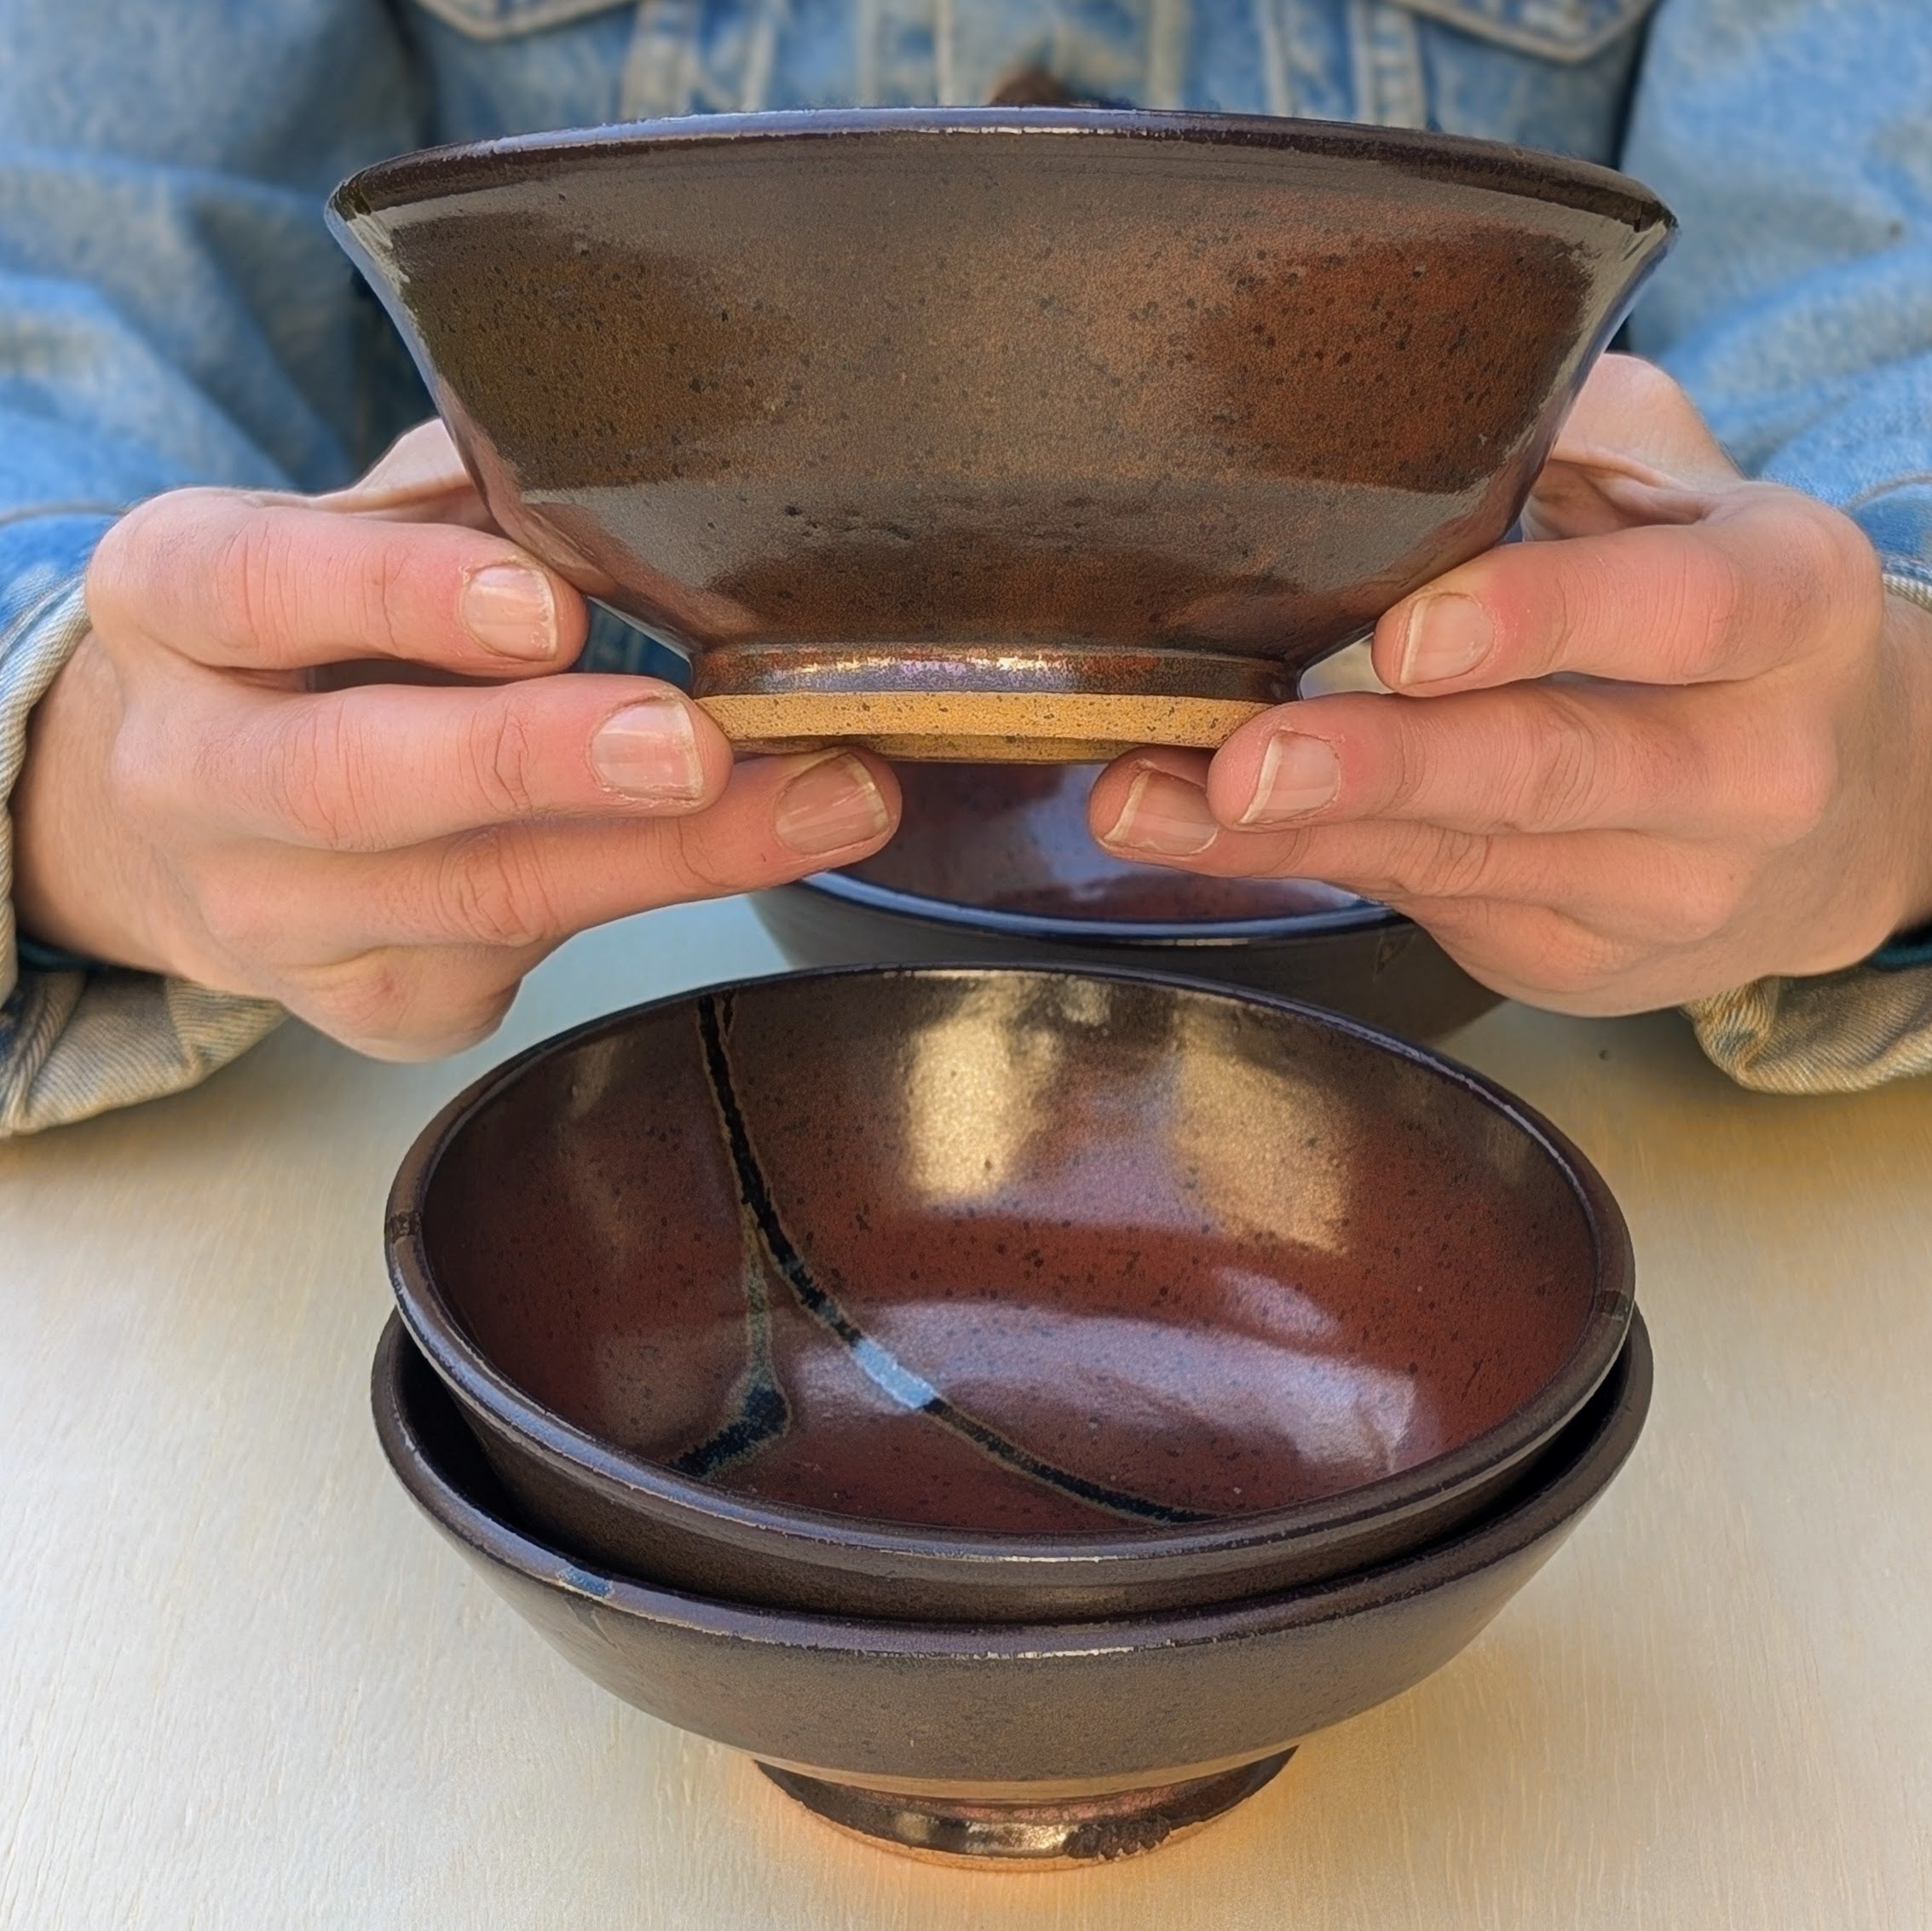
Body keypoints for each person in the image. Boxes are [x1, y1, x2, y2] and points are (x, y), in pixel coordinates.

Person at [2, 0, 1928, 1136]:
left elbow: (1885, 307)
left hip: (1556, 1045)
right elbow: (72, 275)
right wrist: (84, 759)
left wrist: (1889, 761)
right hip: (532, 1034)